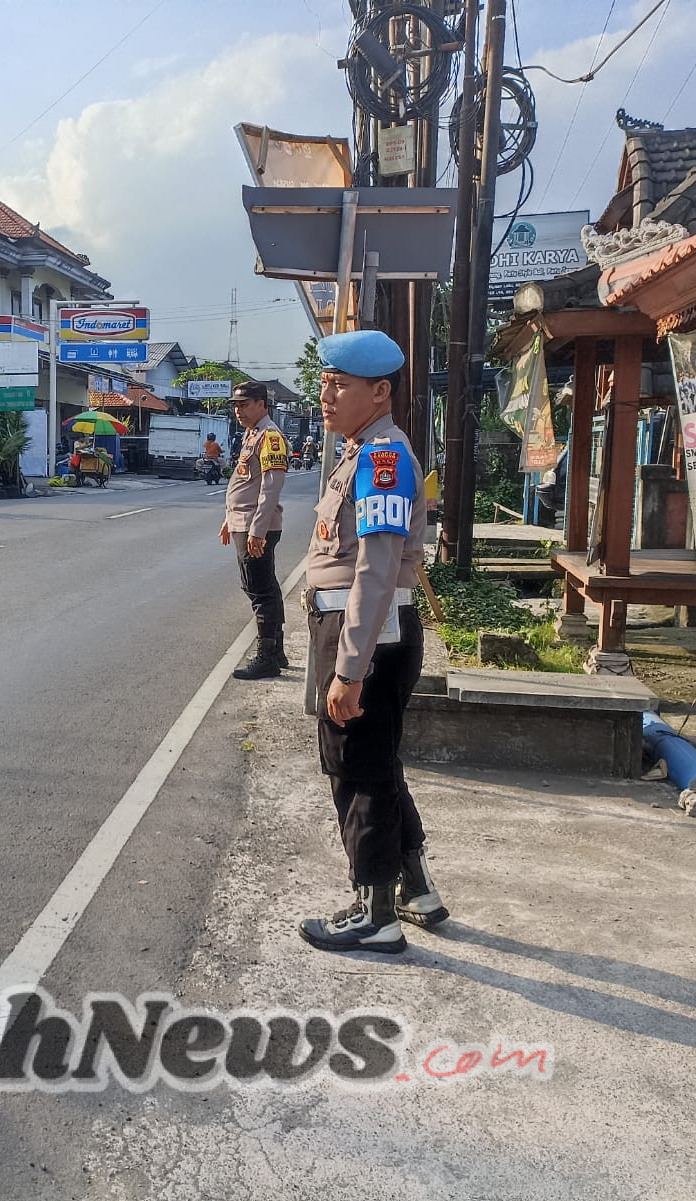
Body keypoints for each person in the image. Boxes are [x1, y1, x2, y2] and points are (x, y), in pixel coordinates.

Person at [297, 329, 448, 955]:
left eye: (341, 385)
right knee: (379, 764)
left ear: (379, 391)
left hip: (364, 633)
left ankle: (374, 910)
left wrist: (349, 668)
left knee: (356, 771)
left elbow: (376, 570)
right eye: (326, 382)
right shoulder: (360, 451)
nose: (327, 395)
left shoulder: (382, 458)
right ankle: (415, 889)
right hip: (363, 628)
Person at [219, 381, 290, 679]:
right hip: (243, 523)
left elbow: (270, 489)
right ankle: (277, 651)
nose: (239, 410)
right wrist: (228, 519)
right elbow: (246, 483)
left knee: (259, 591)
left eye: (244, 404)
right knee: (266, 587)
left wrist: (257, 531)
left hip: (254, 527)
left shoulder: (270, 437)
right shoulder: (252, 435)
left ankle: (266, 657)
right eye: (236, 405)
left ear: (262, 404)